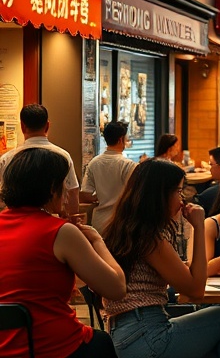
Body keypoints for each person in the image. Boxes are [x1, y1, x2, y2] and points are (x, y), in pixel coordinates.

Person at [102, 159, 220, 358]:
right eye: (178, 192)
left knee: (212, 342)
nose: (182, 200)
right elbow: (196, 291)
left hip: (125, 332)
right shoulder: (150, 238)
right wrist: (199, 226)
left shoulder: (124, 229)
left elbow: (183, 275)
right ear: (160, 195)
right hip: (147, 334)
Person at [0, 148, 126, 358]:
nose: (67, 190)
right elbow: (117, 288)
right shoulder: (59, 231)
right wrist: (97, 240)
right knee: (102, 341)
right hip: (49, 346)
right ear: (51, 188)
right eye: (64, 182)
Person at [0, 104, 80, 215]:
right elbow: (72, 193)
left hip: (15, 223)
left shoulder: (7, 159)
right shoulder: (62, 157)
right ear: (47, 126)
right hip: (52, 224)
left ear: (22, 126)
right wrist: (71, 220)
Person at [79, 121, 137, 234]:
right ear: (121, 139)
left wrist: (100, 195)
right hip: (121, 222)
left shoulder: (94, 163)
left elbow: (85, 194)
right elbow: (135, 194)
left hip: (99, 222)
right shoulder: (128, 165)